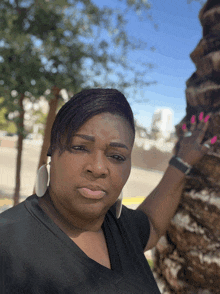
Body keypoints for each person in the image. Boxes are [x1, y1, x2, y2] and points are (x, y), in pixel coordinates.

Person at [0, 88, 217, 293]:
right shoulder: (7, 245)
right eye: (80, 147)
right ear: (52, 149)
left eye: (116, 156)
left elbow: (152, 224)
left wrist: (182, 162)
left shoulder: (118, 225)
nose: (98, 168)